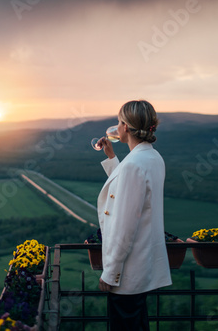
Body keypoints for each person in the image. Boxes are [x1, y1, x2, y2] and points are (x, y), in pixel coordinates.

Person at [96, 100, 172, 330]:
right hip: (144, 265)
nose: (116, 127)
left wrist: (110, 273)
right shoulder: (153, 157)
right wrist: (111, 159)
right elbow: (130, 186)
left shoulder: (134, 165)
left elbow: (125, 226)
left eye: (119, 122)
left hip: (127, 272)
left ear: (126, 127)